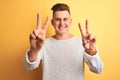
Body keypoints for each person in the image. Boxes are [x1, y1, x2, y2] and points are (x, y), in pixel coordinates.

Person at [23, 3, 103, 80]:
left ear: (70, 21)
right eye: (58, 19)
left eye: (65, 19)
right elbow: (27, 67)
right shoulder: (42, 44)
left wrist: (91, 51)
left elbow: (98, 69)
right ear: (52, 22)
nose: (62, 23)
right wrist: (34, 50)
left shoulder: (83, 43)